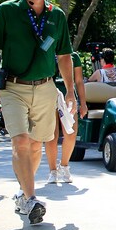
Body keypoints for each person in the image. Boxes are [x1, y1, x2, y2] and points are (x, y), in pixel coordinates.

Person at [0, 0, 76, 225]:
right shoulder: (7, 11)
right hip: (12, 87)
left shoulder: (56, 15)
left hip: (45, 87)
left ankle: (24, 193)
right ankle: (33, 198)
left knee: (36, 145)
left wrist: (70, 91)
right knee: (20, 142)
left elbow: (64, 55)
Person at [44, 51, 88, 183]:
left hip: (68, 97)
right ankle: (52, 171)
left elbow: (79, 81)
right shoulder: (46, 52)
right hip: (48, 95)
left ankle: (64, 166)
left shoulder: (73, 56)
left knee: (71, 132)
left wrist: (83, 103)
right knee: (51, 135)